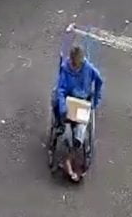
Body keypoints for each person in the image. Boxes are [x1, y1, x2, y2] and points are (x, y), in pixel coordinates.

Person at [52, 45, 103, 181]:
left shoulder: (89, 69)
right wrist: (63, 107)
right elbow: (61, 90)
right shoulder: (65, 69)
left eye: (77, 65)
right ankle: (68, 158)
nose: (75, 67)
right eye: (73, 65)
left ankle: (69, 158)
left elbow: (99, 81)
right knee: (67, 131)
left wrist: (96, 100)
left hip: (81, 102)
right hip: (68, 102)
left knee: (80, 131)